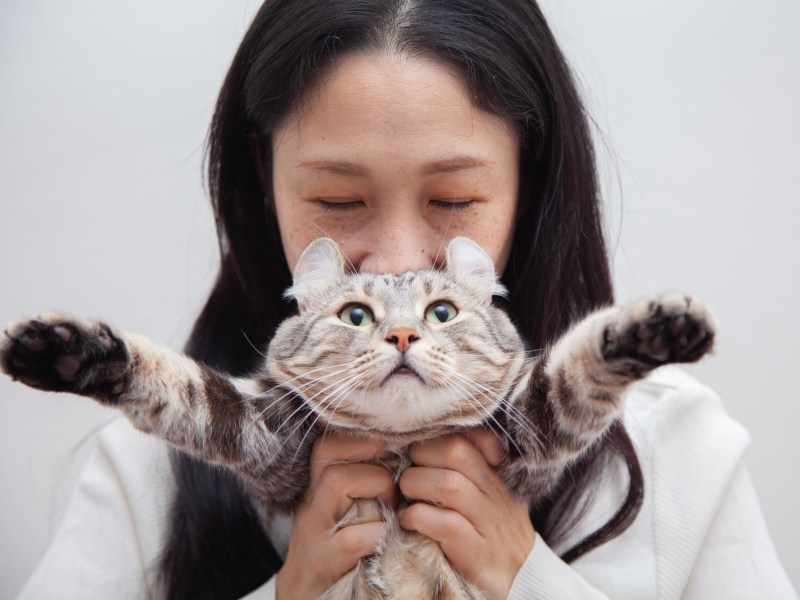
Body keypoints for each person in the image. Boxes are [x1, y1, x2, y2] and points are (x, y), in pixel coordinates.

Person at [15, 0, 797, 599]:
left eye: (454, 202)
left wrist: (527, 578)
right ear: (264, 177)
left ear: (530, 180)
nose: (392, 267)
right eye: (339, 200)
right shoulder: (141, 469)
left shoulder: (680, 447)